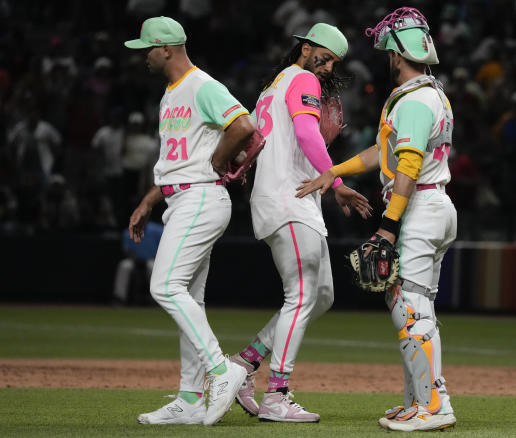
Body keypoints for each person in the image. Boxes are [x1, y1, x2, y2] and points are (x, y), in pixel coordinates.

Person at [297, 7, 457, 432]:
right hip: (431, 204)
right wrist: (335, 170)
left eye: (388, 51)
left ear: (396, 54)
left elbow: (407, 165)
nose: (385, 57)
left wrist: (388, 226)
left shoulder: (415, 100)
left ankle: (435, 406)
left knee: (411, 307)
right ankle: (418, 400)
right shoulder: (425, 94)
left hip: (420, 205)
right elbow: (382, 155)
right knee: (411, 304)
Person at [229, 23, 371, 423]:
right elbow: (308, 133)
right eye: (323, 57)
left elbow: (257, 145)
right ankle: (276, 393)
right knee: (303, 294)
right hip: (289, 198)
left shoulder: (273, 87)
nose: (326, 67)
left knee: (320, 294)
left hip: (293, 198)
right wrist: (338, 183)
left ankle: (245, 362)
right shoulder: (302, 78)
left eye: (333, 63)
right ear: (306, 48)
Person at [124, 16, 254, 426]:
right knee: (189, 300)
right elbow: (176, 162)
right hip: (181, 197)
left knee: (164, 285)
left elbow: (245, 125)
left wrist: (218, 160)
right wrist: (148, 200)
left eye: (147, 48)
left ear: (166, 48)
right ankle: (189, 398)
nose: (143, 55)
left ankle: (221, 369)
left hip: (201, 197)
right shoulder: (170, 95)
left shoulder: (202, 85)